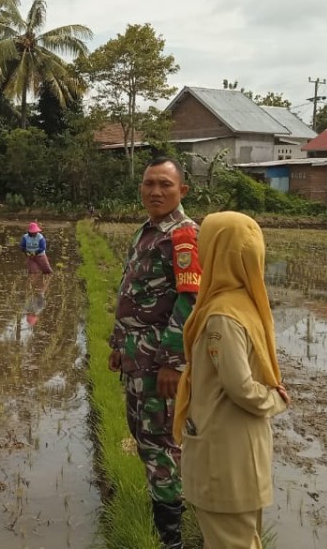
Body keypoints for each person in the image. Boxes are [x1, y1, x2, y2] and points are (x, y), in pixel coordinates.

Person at [173, 211, 289, 549]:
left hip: (224, 457)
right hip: (243, 451)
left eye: (203, 245)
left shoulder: (222, 315)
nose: (199, 253)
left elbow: (240, 387)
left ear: (216, 253)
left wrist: (275, 400)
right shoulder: (248, 304)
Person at [107, 156, 201, 549]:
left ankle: (171, 540)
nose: (155, 191)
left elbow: (190, 300)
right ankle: (166, 517)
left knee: (161, 445)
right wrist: (117, 345)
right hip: (136, 357)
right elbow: (132, 292)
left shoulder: (184, 236)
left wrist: (173, 362)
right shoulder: (147, 231)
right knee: (146, 439)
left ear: (183, 190)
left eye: (165, 184)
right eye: (149, 184)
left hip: (157, 363)